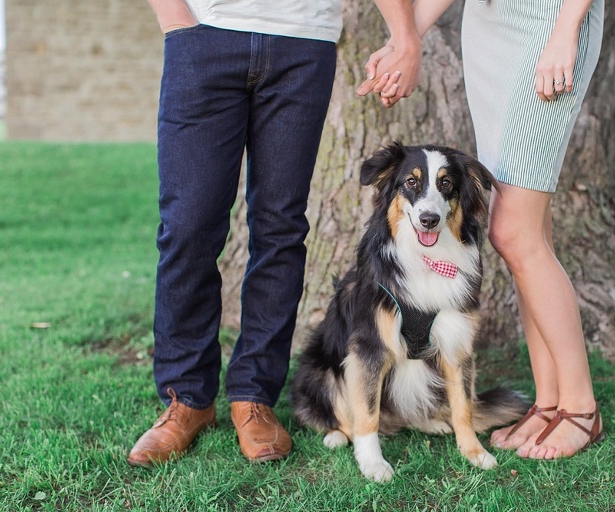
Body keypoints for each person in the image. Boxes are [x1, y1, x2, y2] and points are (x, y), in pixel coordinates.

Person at [128, 0, 422, 467]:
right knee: (188, 225)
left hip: (304, 42)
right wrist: (177, 22)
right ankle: (186, 398)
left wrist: (405, 37)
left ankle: (253, 396)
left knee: (280, 227)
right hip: (204, 36)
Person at [357, 0, 605, 459]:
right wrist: (404, 40)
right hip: (490, 29)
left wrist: (567, 28)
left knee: (512, 232)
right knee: (532, 232)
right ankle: (549, 403)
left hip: (547, 22)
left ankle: (581, 408)